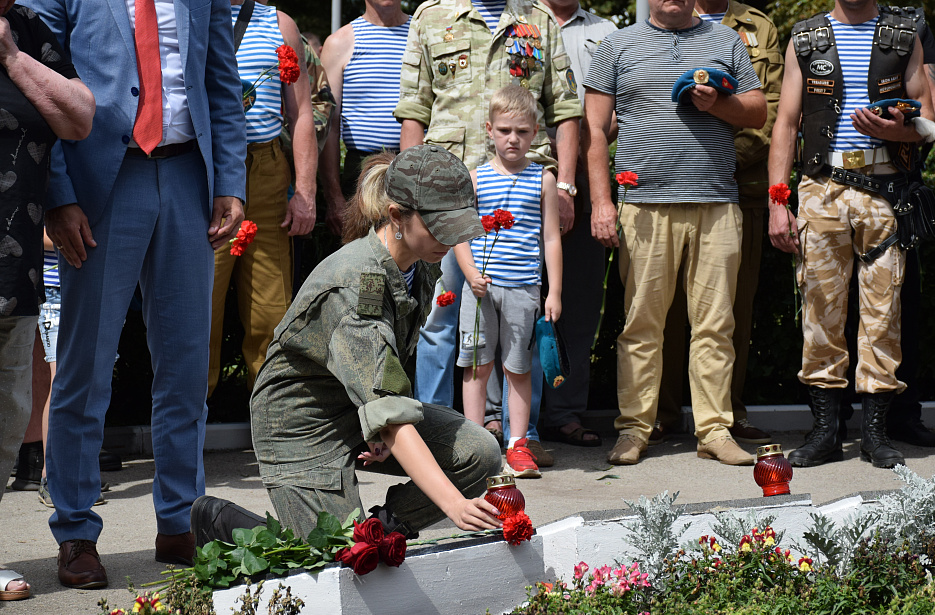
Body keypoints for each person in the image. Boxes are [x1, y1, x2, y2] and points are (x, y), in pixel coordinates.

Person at [25, 0, 247, 588]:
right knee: (85, 369)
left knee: (185, 369)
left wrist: (230, 179)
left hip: (187, 176)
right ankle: (75, 530)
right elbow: (39, 82)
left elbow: (221, 80)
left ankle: (181, 520)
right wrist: (58, 195)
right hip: (101, 181)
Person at [193, 146, 503, 544]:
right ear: (396, 216)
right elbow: (390, 413)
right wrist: (454, 505)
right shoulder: (357, 288)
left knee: (480, 452)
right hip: (302, 425)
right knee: (335, 554)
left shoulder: (421, 261)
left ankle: (382, 532)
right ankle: (222, 522)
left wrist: (374, 422)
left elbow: (386, 368)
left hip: (354, 404)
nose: (451, 238)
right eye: (440, 225)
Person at [583, 0, 766, 466]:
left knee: (716, 325)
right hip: (644, 205)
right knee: (641, 324)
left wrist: (719, 104)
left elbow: (758, 111)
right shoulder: (617, 45)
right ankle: (633, 430)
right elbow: (595, 131)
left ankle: (715, 430)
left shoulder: (726, 39)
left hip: (717, 202)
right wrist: (602, 202)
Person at [396, 0, 582, 446]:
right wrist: (410, 195)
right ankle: (436, 437)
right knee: (440, 318)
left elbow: (564, 109)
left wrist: (565, 186)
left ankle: (523, 438)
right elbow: (414, 110)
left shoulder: (538, 19)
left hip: (524, 198)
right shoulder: (431, 16)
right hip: (445, 197)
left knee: (524, 326)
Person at [767, 0, 932, 468]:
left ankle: (876, 434)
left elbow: (928, 122)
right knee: (820, 311)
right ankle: (824, 432)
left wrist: (899, 133)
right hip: (822, 188)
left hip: (885, 189)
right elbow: (786, 123)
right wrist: (778, 201)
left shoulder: (905, 34)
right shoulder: (806, 37)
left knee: (884, 314)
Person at [653, 0, 782, 446]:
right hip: (669, 186)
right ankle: (662, 414)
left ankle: (727, 412)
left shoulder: (757, 27)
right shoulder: (659, 21)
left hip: (739, 189)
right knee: (665, 309)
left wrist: (723, 161)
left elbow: (771, 110)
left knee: (732, 311)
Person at [0, 1, 95, 600]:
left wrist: (12, 56)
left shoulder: (30, 30)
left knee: (7, 417)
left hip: (14, 266)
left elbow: (79, 118)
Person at [207, 0, 317, 397]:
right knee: (200, 308)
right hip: (209, 171)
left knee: (270, 312)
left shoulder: (279, 23)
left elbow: (301, 113)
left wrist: (305, 192)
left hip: (267, 169)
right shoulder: (194, 13)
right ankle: (188, 421)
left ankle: (271, 417)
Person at [455, 85, 562, 479]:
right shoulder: (475, 178)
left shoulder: (543, 179)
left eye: (521, 131)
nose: (512, 139)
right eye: (504, 130)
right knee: (476, 366)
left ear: (535, 133)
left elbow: (551, 239)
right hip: (480, 290)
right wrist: (470, 273)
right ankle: (476, 448)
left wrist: (554, 292)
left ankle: (518, 444)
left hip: (524, 288)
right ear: (489, 130)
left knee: (518, 368)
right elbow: (461, 235)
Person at [537, 0, 616, 451]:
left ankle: (564, 413)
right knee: (512, 297)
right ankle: (509, 418)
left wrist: (575, 153)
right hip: (517, 174)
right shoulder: (516, 22)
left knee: (578, 304)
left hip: (584, 177)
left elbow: (616, 112)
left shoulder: (607, 32)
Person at [319, 0, 411, 237]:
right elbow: (329, 125)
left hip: (414, 166)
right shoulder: (340, 43)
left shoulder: (422, 35)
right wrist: (334, 197)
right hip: (362, 171)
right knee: (363, 253)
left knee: (417, 256)